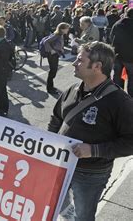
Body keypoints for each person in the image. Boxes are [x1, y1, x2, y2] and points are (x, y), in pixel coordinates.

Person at [48, 42, 133, 221]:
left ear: (97, 66)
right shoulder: (72, 90)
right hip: (61, 165)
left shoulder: (120, 101)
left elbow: (130, 142)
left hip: (90, 174)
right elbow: (56, 118)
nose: (74, 63)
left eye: (79, 60)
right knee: (56, 207)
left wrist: (93, 150)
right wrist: (49, 143)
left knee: (83, 216)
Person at [111, 7, 133, 95]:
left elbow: (111, 36)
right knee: (132, 78)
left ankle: (117, 94)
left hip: (117, 54)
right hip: (131, 56)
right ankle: (131, 97)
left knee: (117, 77)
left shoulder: (117, 23)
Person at [44, 23, 69, 95]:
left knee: (53, 71)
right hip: (52, 55)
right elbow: (46, 42)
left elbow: (59, 44)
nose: (68, 30)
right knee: (52, 71)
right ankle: (49, 88)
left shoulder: (60, 35)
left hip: (55, 55)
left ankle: (51, 87)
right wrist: (51, 50)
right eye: (67, 28)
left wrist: (61, 49)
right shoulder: (57, 35)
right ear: (62, 29)